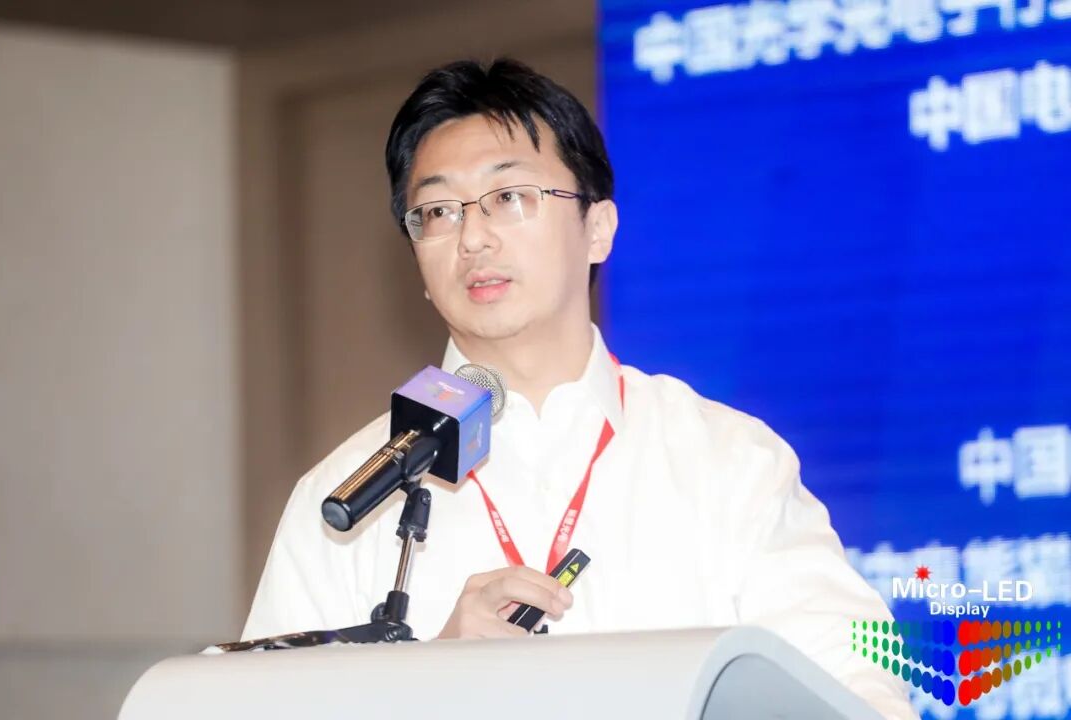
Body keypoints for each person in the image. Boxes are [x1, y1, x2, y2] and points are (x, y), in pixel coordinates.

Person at [243, 58, 915, 718]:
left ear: (597, 229)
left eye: (509, 198)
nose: (472, 237)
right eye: (438, 211)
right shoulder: (345, 502)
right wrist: (427, 684)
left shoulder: (727, 461)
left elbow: (860, 690)